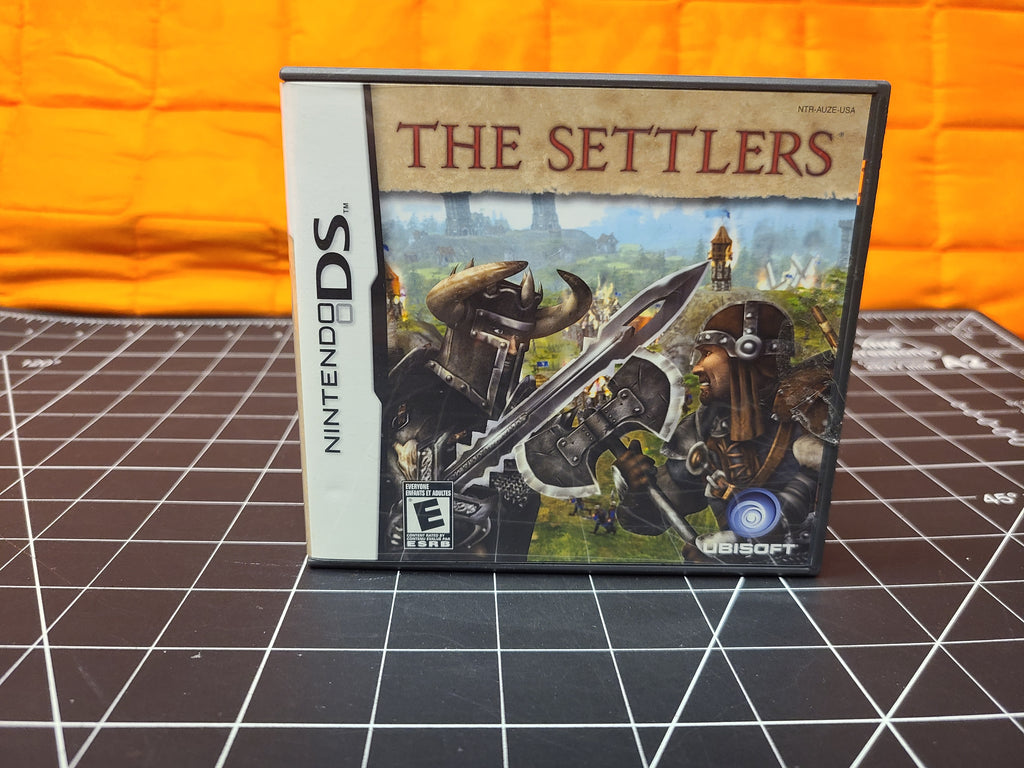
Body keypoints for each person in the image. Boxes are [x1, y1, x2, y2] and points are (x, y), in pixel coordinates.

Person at [612, 300, 831, 558]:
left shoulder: (816, 412)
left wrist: (731, 552)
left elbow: (832, 527)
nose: (697, 368)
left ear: (746, 352)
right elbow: (655, 517)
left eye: (707, 353)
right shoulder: (707, 426)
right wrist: (638, 491)